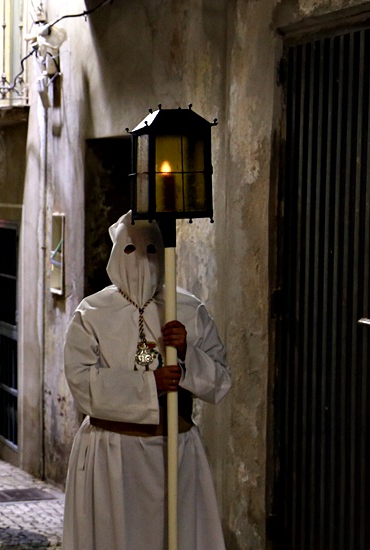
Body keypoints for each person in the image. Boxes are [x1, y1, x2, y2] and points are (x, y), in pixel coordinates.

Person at [62, 212, 232, 550]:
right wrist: (148, 385)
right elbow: (81, 383)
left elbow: (220, 381)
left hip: (175, 449)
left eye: (152, 249)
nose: (141, 259)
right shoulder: (92, 313)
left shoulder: (187, 308)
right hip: (113, 454)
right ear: (116, 252)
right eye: (131, 250)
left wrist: (185, 355)